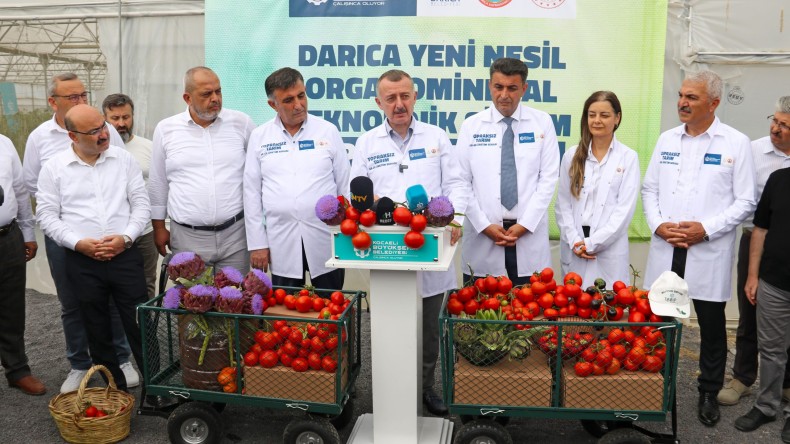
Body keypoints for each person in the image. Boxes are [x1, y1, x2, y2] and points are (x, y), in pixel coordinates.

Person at [641, 70, 756, 427]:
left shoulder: (735, 143)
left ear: (714, 103)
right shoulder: (667, 139)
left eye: (691, 97)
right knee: (659, 323)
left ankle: (708, 390)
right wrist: (658, 224)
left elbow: (747, 201)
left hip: (708, 251)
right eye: (681, 95)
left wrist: (705, 229)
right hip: (667, 246)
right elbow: (649, 190)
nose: (682, 103)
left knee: (711, 326)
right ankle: (650, 384)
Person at [351, 69, 465, 416]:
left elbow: (456, 182)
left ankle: (426, 388)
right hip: (388, 251)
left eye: (404, 96)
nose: (399, 104)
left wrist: (455, 218)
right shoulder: (367, 143)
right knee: (389, 325)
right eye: (390, 98)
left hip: (432, 248)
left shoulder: (437, 136)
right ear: (378, 102)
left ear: (414, 96)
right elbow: (355, 193)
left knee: (430, 330)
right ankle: (389, 391)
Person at [22, 72, 136, 393]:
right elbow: (34, 183)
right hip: (65, 237)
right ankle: (79, 364)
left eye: (83, 95)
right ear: (53, 102)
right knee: (72, 302)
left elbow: (116, 171)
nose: (80, 101)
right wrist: (70, 223)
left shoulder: (105, 129)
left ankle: (121, 358)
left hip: (109, 234)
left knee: (113, 300)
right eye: (72, 97)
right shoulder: (40, 137)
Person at [456, 57, 559, 285]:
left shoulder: (542, 123)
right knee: (482, 315)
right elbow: (461, 182)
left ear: (524, 88)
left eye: (512, 88)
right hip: (484, 236)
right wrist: (483, 225)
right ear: (489, 86)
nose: (504, 95)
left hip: (527, 234)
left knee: (530, 316)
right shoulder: (471, 126)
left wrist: (524, 225)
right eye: (498, 87)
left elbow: (549, 179)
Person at [244, 67, 348, 291]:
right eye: (289, 100)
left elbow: (344, 184)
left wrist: (346, 232)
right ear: (273, 105)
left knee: (333, 307)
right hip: (282, 239)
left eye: (301, 96)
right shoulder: (260, 137)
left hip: (325, 237)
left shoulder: (327, 131)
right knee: (286, 311)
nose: (298, 104)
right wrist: (257, 244)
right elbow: (251, 194)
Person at [719, 96, 790, 406]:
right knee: (750, 309)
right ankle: (743, 377)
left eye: (784, 125)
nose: (776, 128)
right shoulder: (753, 151)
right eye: (774, 121)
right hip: (757, 239)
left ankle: (785, 383)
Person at [149, 66, 255, 271]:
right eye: (206, 94)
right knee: (194, 301)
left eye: (218, 91)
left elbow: (259, 174)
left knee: (234, 299)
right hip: (187, 237)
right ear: (187, 98)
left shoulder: (242, 123)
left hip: (236, 235)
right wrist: (159, 227)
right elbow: (158, 182)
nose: (215, 98)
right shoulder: (166, 129)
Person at [733, 124, 790, 442]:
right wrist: (753, 275)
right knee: (771, 349)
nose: (777, 128)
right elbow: (760, 229)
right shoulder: (778, 180)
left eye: (786, 125)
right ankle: (767, 405)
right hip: (774, 281)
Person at [555, 91, 639, 287]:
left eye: (604, 115)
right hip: (574, 244)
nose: (597, 120)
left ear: (617, 118)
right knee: (574, 311)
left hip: (608, 249)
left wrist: (593, 243)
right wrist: (575, 241)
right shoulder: (572, 155)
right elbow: (562, 205)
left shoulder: (628, 157)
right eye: (592, 115)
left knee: (606, 308)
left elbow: (624, 211)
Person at [0, 134, 46, 396]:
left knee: (12, 307)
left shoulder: (4, 143)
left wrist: (28, 234)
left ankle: (17, 369)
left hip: (7, 236)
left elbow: (19, 190)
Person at [102, 93, 158, 300]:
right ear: (105, 118)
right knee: (113, 286)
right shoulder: (97, 149)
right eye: (115, 118)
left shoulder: (148, 147)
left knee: (146, 282)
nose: (121, 123)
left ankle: (147, 329)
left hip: (144, 232)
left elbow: (160, 186)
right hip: (111, 233)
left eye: (126, 117)